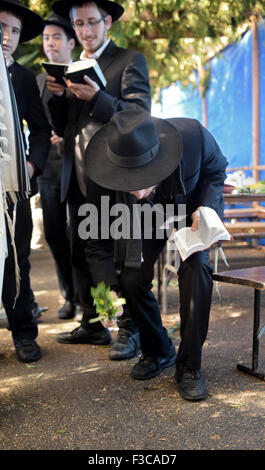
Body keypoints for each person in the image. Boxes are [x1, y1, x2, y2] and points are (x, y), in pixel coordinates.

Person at [84, 108, 228, 401]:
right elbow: (97, 243)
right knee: (131, 277)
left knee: (197, 268)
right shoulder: (99, 175)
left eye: (142, 180)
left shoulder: (193, 137)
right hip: (139, 218)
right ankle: (158, 349)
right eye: (128, 182)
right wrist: (107, 292)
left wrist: (206, 206)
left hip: (189, 205)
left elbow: (217, 169)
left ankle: (189, 367)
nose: (137, 192)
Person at [46, 0, 151, 359]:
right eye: (79, 25)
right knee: (87, 254)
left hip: (114, 175)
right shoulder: (72, 66)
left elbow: (139, 117)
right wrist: (58, 98)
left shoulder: (130, 61)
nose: (86, 32)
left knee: (116, 256)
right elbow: (64, 129)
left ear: (107, 22)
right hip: (76, 177)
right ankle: (99, 322)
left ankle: (128, 329)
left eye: (93, 23)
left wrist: (99, 98)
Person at [0, 0, 51, 362]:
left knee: (17, 259)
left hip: (13, 186)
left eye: (15, 30)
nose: (7, 36)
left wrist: (32, 165)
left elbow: (42, 129)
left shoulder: (22, 77)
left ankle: (23, 331)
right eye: (2, 26)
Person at [37, 13, 81, 320]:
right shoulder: (38, 79)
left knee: (80, 235)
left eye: (56, 37)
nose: (50, 43)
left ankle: (89, 298)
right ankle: (70, 296)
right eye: (45, 38)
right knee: (53, 232)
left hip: (78, 167)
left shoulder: (82, 73)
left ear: (71, 42)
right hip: (49, 170)